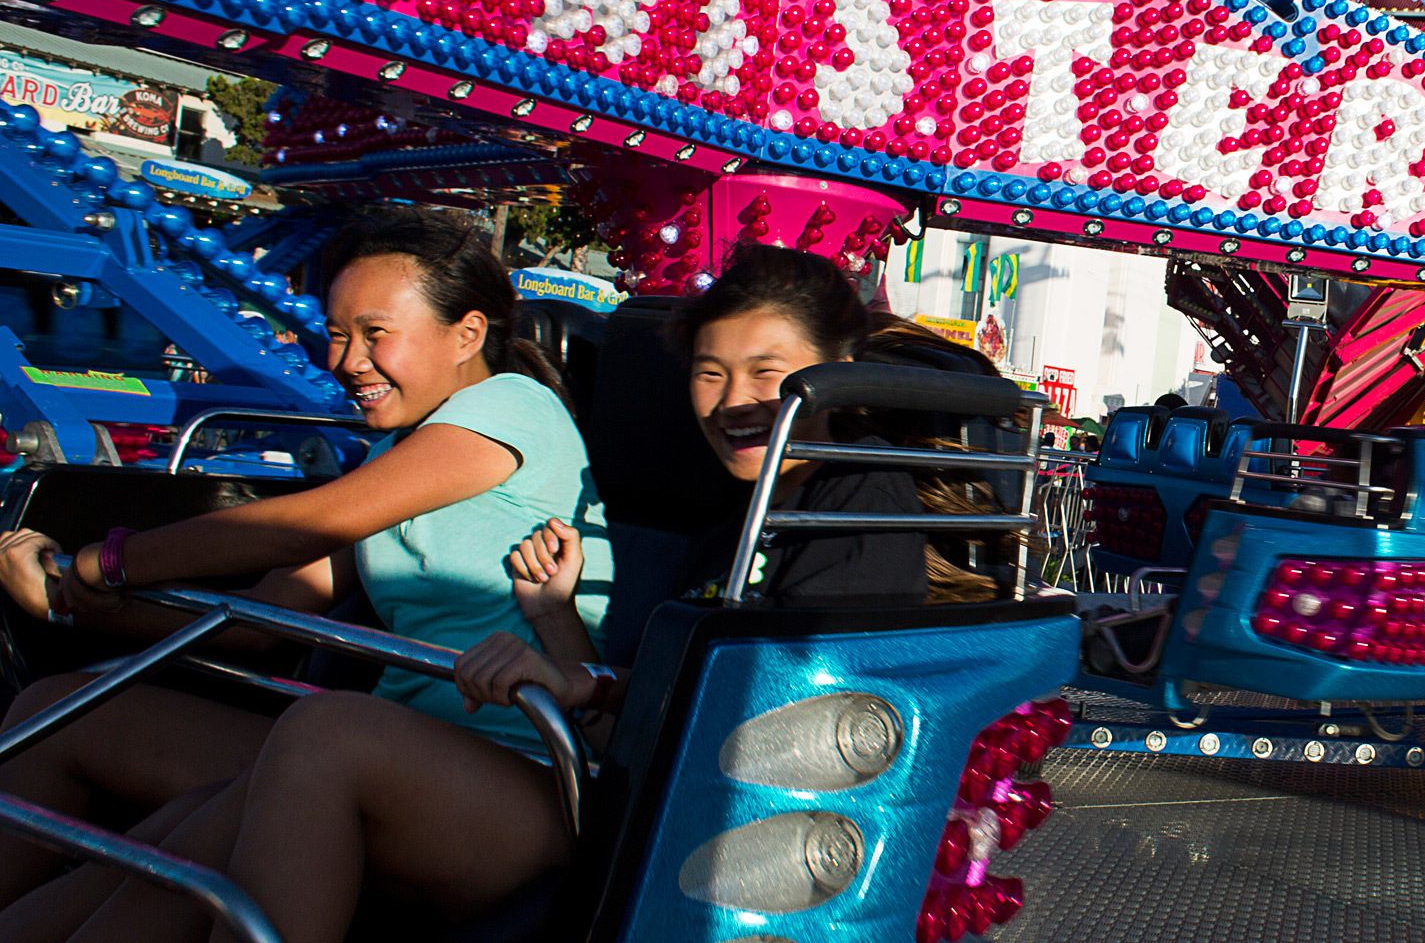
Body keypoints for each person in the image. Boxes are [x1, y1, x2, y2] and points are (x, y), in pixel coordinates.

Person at [47, 246, 946, 943]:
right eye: (711, 373)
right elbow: (614, 713)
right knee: (180, 828)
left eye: (768, 369)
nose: (734, 399)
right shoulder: (730, 532)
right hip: (601, 783)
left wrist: (106, 563)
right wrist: (557, 621)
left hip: (662, 826)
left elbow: (772, 715)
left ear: (839, 368)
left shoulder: (856, 508)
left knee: (320, 733)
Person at [0, 207, 610, 935]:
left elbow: (310, 522)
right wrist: (72, 600)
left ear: (468, 334)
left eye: (373, 334)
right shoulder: (401, 460)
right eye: (337, 333)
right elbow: (267, 615)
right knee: (64, 715)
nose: (342, 360)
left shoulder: (513, 407)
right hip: (386, 752)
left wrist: (113, 558)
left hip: (517, 776)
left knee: (313, 741)